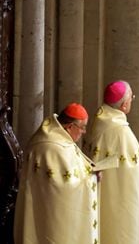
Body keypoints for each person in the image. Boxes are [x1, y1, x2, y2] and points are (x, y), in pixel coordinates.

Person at [83, 81, 139, 244]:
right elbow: (132, 177)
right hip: (121, 197)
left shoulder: (101, 119)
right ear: (124, 105)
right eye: (131, 98)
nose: (132, 100)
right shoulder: (120, 131)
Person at [14, 103, 99, 244]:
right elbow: (65, 185)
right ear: (70, 126)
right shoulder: (54, 147)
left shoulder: (53, 137)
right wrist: (92, 177)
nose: (84, 132)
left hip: (44, 208)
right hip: (54, 214)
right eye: (82, 127)